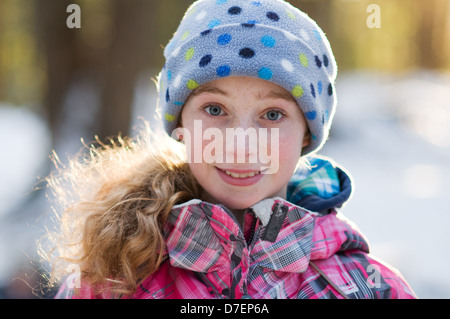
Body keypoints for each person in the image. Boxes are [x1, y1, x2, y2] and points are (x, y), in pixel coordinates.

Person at [46, 0, 416, 299]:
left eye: (272, 114)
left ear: (307, 132)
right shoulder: (112, 280)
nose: (241, 144)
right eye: (214, 110)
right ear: (181, 124)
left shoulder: (372, 289)